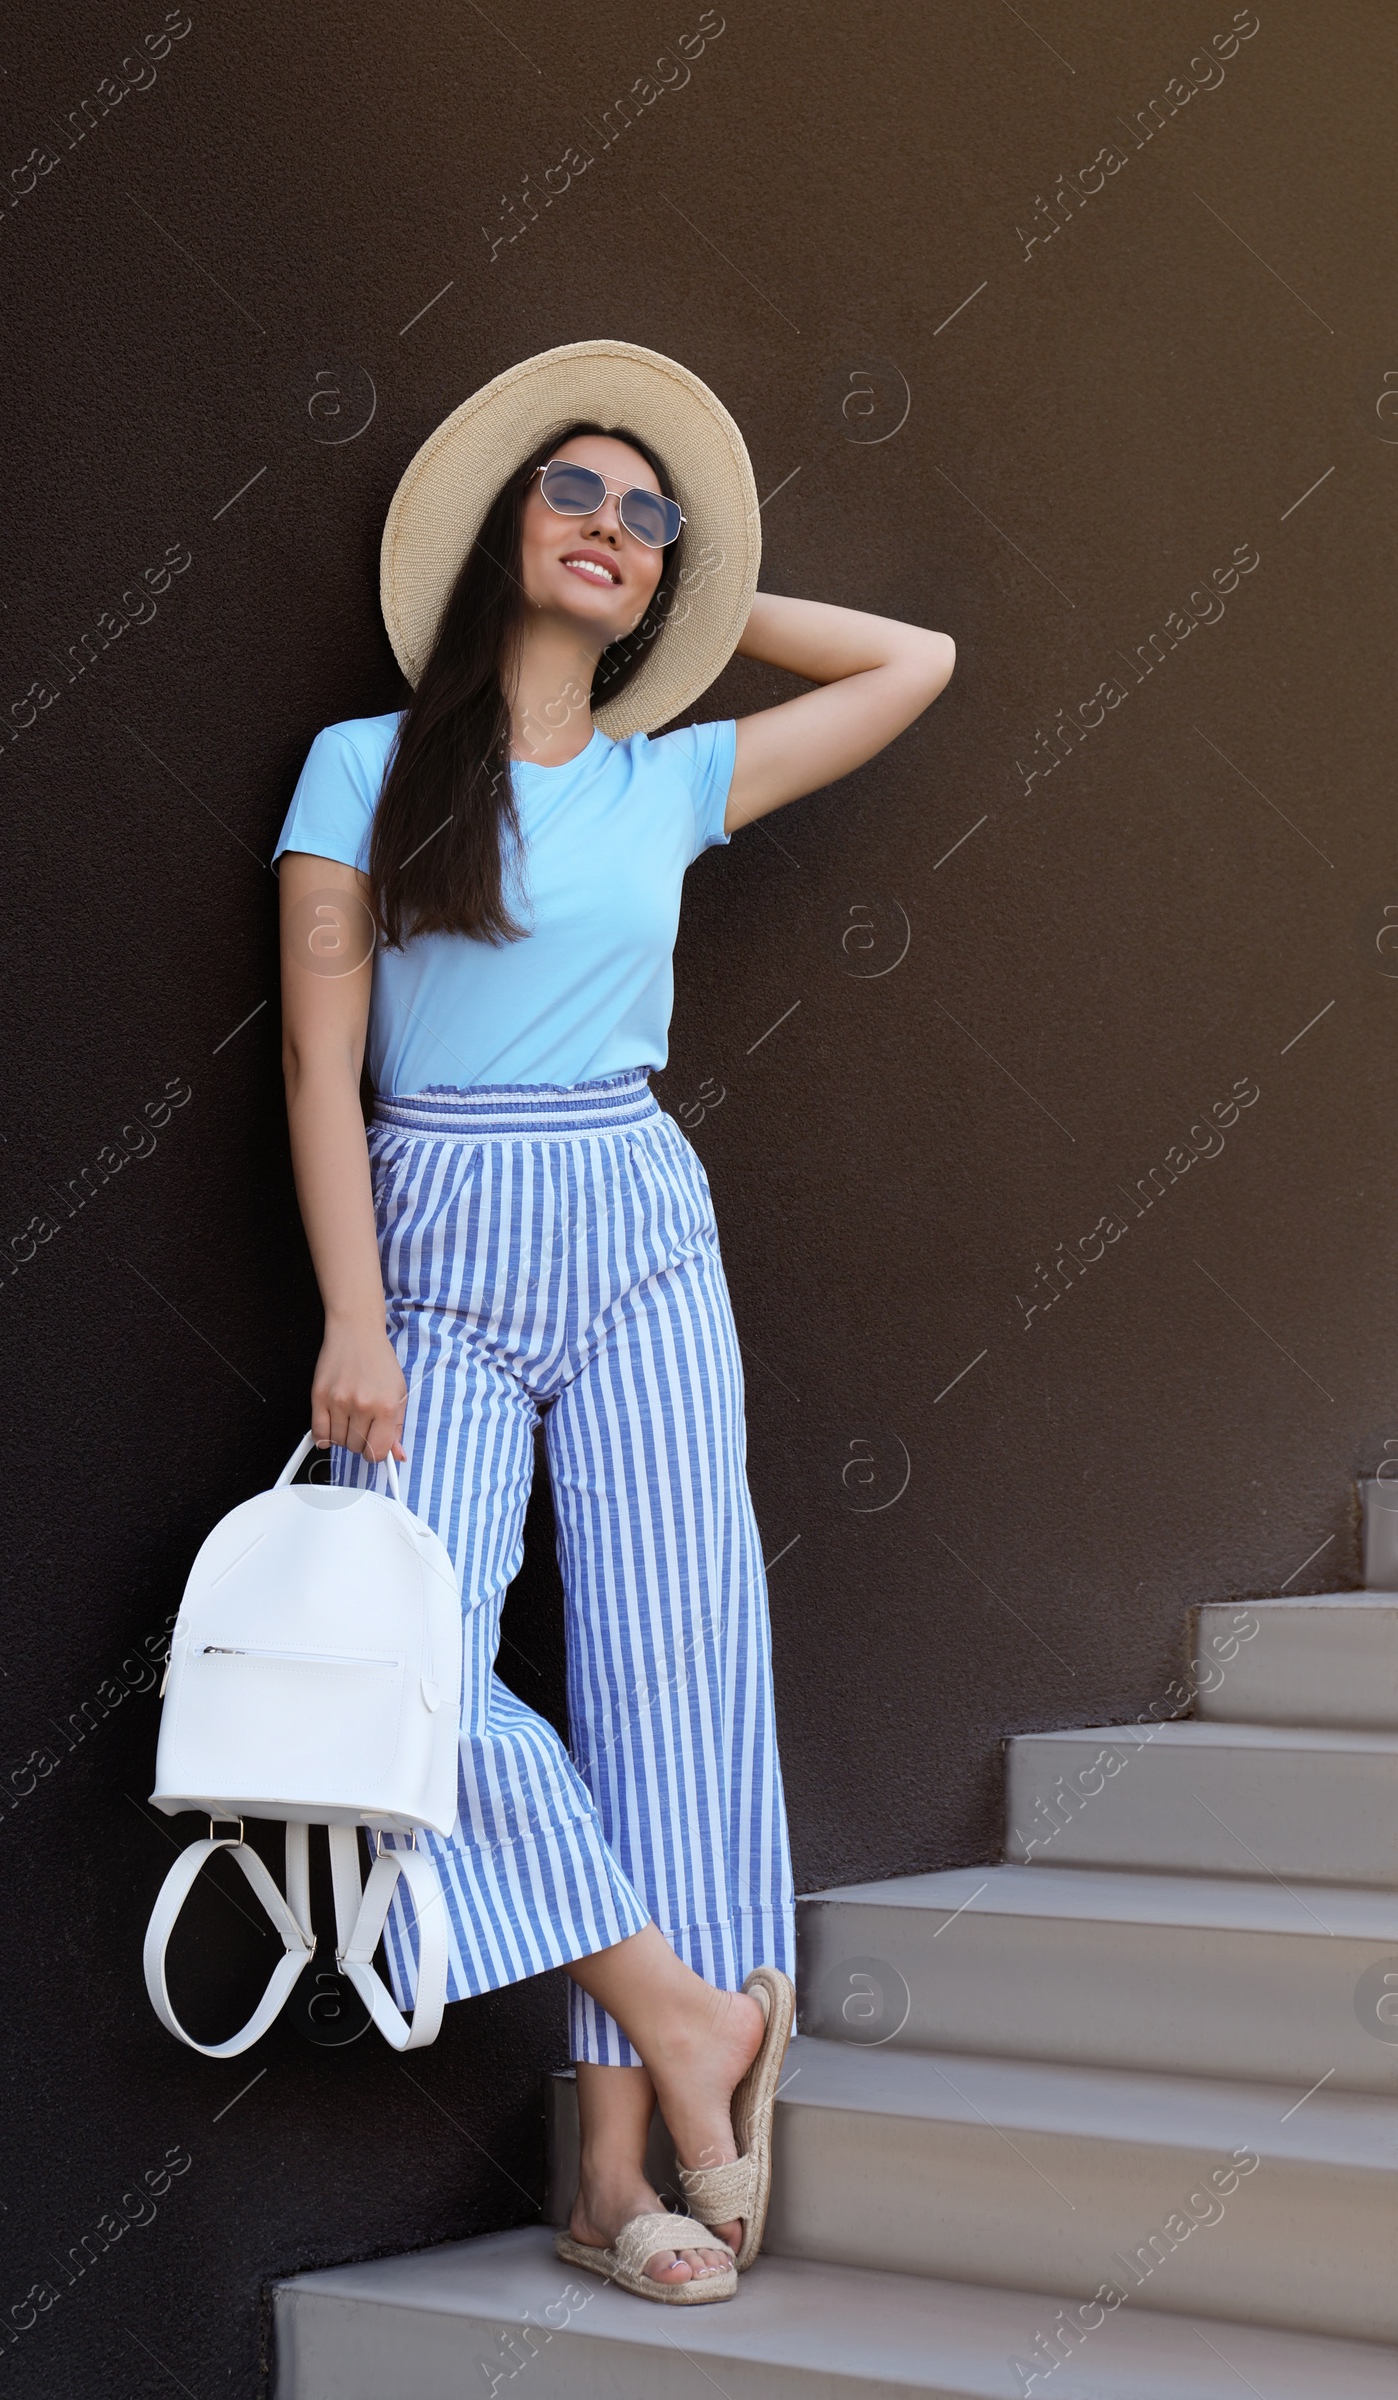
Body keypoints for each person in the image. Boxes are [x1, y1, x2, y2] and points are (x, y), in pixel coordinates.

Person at [274, 341, 954, 2304]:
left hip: (634, 1210)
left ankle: (613, 2176)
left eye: (647, 519)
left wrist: (711, 601)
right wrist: (352, 1316)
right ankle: (680, 2005)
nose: (611, 531)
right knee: (398, 1645)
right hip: (431, 1224)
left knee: (677, 1661)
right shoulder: (359, 766)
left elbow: (909, 664)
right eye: (574, 496)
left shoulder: (669, 776)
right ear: (501, 534)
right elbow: (319, 1073)